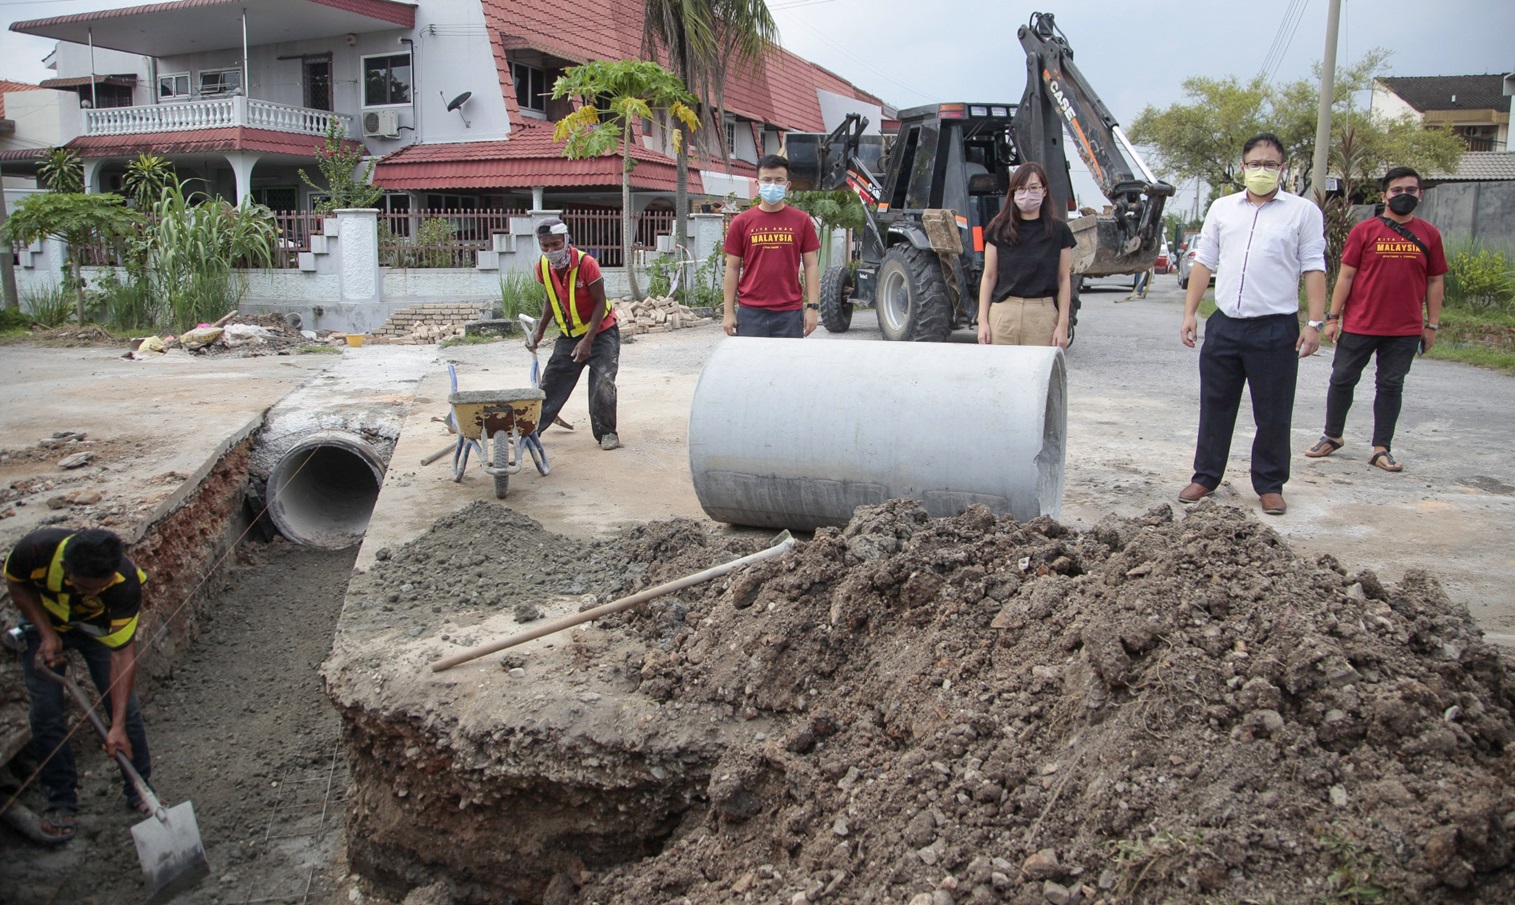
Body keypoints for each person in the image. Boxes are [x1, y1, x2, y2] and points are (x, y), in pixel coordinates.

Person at [1178, 132, 1327, 516]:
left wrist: (1314, 322)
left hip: (1275, 328)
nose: (1262, 170)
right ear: (1242, 167)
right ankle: (1206, 476)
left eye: (1270, 164)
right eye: (1255, 163)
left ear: (1283, 168)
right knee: (1215, 405)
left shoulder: (1302, 212)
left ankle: (1270, 484)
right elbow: (1204, 262)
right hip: (1226, 324)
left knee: (1274, 410)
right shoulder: (1223, 208)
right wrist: (1189, 313)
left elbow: (1313, 266)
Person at [5, 527, 152, 842]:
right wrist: (46, 633)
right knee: (46, 712)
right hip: (42, 620)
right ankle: (61, 801)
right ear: (67, 571)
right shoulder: (34, 550)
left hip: (96, 629)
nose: (94, 593)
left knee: (124, 710)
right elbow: (17, 584)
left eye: (100, 588)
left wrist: (117, 727)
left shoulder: (124, 583)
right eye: (86, 587)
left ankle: (140, 791)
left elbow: (122, 654)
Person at [1306, 166, 1447, 472]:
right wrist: (1333, 318)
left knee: (1390, 386)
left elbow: (1435, 281)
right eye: (1397, 191)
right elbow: (1346, 276)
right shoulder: (1364, 231)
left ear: (1420, 195)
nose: (1404, 196)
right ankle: (1332, 435)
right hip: (1360, 324)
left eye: (1411, 190)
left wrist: (1432, 324)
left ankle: (1381, 448)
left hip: (1405, 329)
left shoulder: (1429, 235)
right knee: (1341, 379)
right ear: (1384, 196)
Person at [526, 217, 621, 451]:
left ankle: (607, 433)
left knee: (603, 382)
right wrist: (539, 331)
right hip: (569, 335)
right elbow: (551, 298)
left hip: (602, 333)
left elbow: (600, 302)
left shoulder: (586, 263)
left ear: (566, 240)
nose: (551, 250)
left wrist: (588, 340)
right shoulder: (543, 266)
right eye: (545, 246)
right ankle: (531, 430)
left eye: (556, 244)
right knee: (552, 381)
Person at [976, 161, 1074, 348]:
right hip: (1004, 315)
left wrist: (1063, 325)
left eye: (1034, 188)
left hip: (1042, 316)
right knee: (1000, 374)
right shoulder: (998, 229)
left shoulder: (1059, 231)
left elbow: (1064, 279)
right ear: (1013, 193)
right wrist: (983, 322)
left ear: (1044, 191)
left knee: (1039, 376)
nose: (1027, 194)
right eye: (1020, 189)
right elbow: (988, 276)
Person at [722, 154, 821, 338]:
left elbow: (811, 265)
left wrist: (812, 307)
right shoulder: (741, 222)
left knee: (788, 366)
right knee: (751, 367)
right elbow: (732, 267)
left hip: (789, 314)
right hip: (751, 313)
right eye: (767, 180)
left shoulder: (802, 221)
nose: (773, 185)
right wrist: (728, 312)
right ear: (757, 185)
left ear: (787, 185)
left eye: (778, 180)